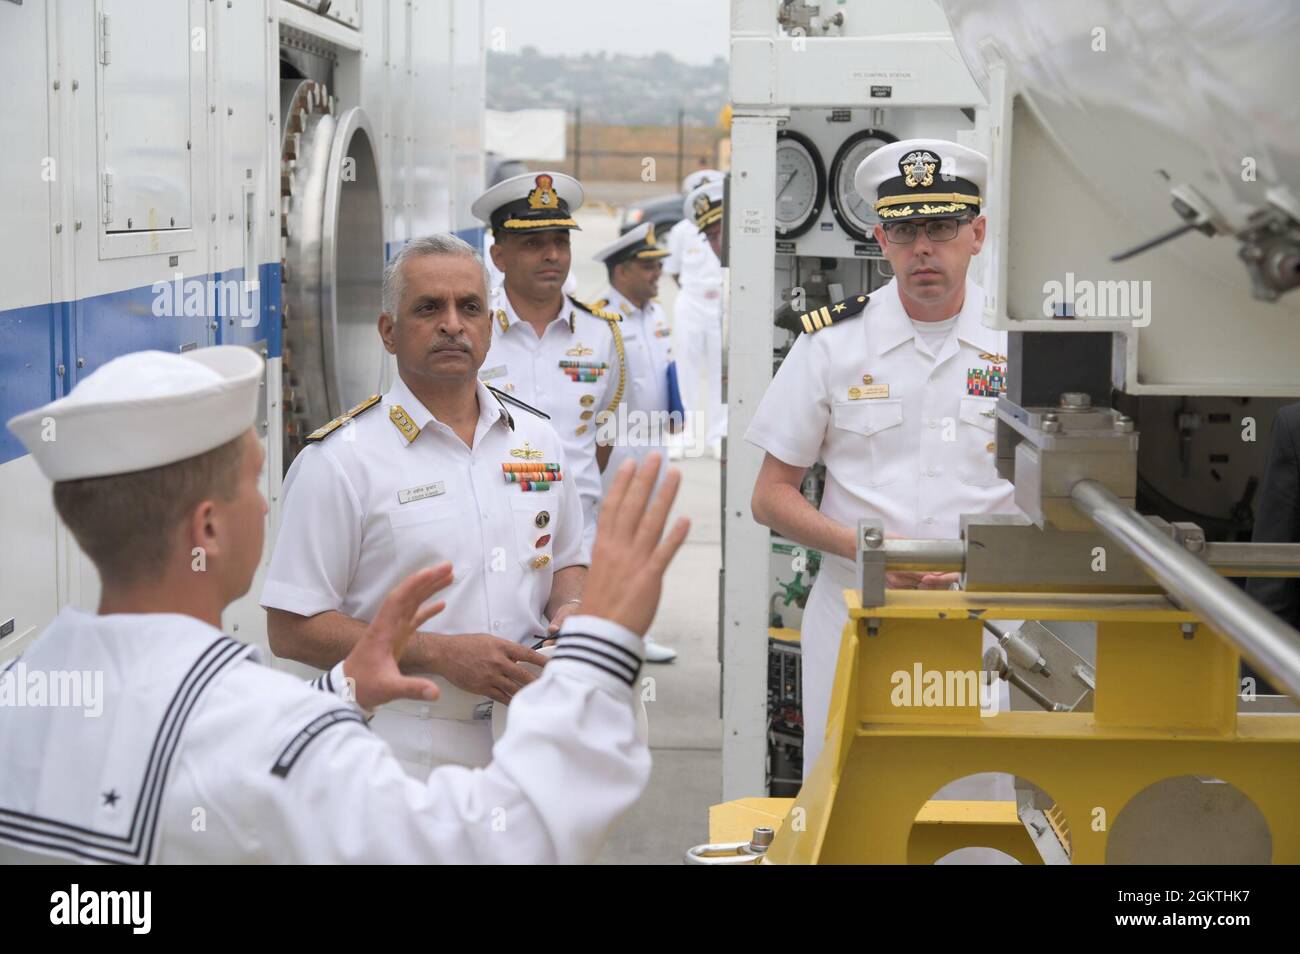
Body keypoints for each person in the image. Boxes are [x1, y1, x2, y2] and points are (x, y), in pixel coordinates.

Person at [1, 343, 689, 863]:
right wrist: (604, 643)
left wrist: (341, 690)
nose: (267, 504)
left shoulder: (23, 692)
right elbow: (494, 841)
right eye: (252, 481)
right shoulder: (272, 735)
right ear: (207, 529)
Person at [261, 234, 587, 775]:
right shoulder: (342, 461)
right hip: (401, 744)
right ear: (389, 331)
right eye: (429, 308)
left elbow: (567, 559)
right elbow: (291, 628)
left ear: (489, 325)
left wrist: (570, 609)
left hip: (530, 736)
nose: (453, 324)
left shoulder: (538, 439)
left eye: (470, 307)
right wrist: (437, 652)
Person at [746, 139, 1019, 777]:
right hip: (857, 615)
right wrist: (864, 552)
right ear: (880, 238)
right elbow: (770, 496)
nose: (923, 247)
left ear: (976, 234)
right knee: (852, 802)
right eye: (904, 229)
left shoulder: (1022, 345)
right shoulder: (831, 344)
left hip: (986, 620)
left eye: (942, 227)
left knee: (978, 817)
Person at [474, 171, 627, 554]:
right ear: (499, 255)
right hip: (493, 533)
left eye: (561, 241)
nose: (552, 255)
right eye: (533, 243)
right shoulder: (475, 331)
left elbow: (603, 438)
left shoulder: (601, 333)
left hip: (579, 538)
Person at [591, 221, 680, 664]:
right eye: (648, 266)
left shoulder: (657, 315)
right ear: (622, 271)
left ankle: (635, 634)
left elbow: (667, 372)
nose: (657, 273)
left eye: (659, 264)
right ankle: (602, 632)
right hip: (617, 444)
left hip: (655, 442)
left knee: (646, 538)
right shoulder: (599, 318)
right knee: (611, 540)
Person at [666, 170, 726, 458]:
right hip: (691, 302)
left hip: (721, 304)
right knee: (685, 370)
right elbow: (674, 271)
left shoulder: (727, 225)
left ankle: (718, 433)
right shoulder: (681, 232)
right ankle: (684, 433)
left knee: (720, 371)